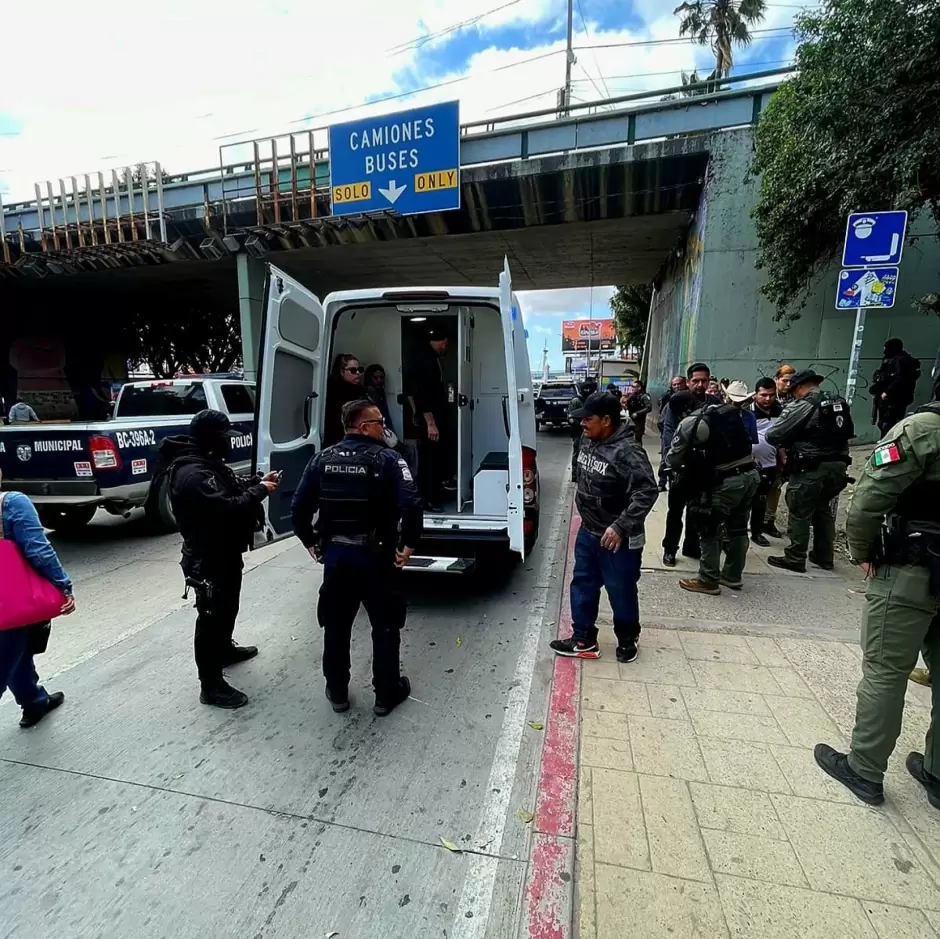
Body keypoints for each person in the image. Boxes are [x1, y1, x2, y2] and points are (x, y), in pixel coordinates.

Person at [814, 397, 940, 808]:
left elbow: (871, 496)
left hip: (914, 568)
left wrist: (862, 550)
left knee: (885, 671)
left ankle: (864, 769)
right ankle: (937, 772)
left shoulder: (923, 429)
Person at [291, 398, 423, 717]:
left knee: (336, 626)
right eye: (379, 422)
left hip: (336, 558)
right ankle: (385, 693)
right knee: (385, 625)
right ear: (364, 427)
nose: (384, 427)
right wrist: (408, 546)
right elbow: (412, 505)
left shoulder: (322, 458)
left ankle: (337, 691)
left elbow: (297, 508)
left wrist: (310, 542)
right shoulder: (389, 460)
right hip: (376, 559)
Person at [160, 409, 280, 709]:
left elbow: (230, 485)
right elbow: (228, 508)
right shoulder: (193, 474)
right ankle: (210, 685)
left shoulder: (207, 463)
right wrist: (260, 491)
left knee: (227, 608)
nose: (229, 443)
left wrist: (256, 482)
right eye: (224, 437)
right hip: (208, 558)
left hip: (224, 553)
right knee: (211, 619)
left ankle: (224, 651)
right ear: (211, 438)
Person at [550, 392, 657, 662]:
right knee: (583, 585)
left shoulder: (628, 452)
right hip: (589, 532)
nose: (582, 424)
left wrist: (620, 526)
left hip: (617, 539)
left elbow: (647, 491)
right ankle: (583, 638)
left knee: (620, 591)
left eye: (588, 419)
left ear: (607, 420)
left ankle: (627, 639)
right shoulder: (590, 439)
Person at [666, 393, 760, 595]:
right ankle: (732, 576)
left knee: (708, 526)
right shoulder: (724, 411)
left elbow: (673, 459)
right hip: (750, 475)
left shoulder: (690, 422)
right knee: (738, 527)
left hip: (725, 481)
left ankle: (708, 580)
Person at [0, 480, 74, 728]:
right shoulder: (10, 503)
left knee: (16, 650)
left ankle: (34, 701)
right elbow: (38, 550)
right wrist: (62, 585)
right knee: (8, 646)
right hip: (7, 601)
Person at [766, 370, 854, 573]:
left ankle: (795, 558)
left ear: (799, 387)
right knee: (823, 510)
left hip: (811, 468)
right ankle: (824, 556)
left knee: (800, 511)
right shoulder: (838, 402)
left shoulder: (804, 404)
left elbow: (773, 434)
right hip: (839, 467)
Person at [660, 364, 722, 566]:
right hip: (681, 466)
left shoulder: (714, 402)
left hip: (704, 467)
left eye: (704, 380)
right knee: (675, 511)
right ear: (688, 382)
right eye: (695, 380)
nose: (700, 384)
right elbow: (668, 433)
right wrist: (669, 463)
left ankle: (691, 546)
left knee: (698, 510)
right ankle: (670, 549)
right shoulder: (677, 403)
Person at [407, 328, 453, 511]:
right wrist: (431, 424)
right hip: (430, 420)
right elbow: (423, 395)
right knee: (430, 460)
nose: (446, 347)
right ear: (442, 341)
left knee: (433, 458)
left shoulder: (427, 358)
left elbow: (413, 392)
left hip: (430, 417)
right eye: (446, 344)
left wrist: (415, 413)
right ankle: (428, 499)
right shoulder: (426, 361)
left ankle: (434, 493)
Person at [749, 378, 783, 547]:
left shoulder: (780, 410)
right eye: (764, 395)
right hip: (747, 464)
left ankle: (757, 532)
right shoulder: (747, 410)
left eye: (771, 395)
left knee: (761, 500)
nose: (768, 399)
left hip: (770, 465)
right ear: (756, 394)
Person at [871, 338, 920, 438]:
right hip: (894, 397)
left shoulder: (899, 360)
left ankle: (887, 443)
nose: (884, 350)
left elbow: (899, 378)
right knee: (885, 423)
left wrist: (887, 392)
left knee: (887, 423)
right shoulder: (897, 359)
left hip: (894, 398)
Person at [324, 354, 367, 447]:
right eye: (353, 370)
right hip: (339, 440)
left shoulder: (360, 391)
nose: (358, 373)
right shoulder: (333, 392)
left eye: (360, 369)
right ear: (342, 372)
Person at [657, 376, 688, 491]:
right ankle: (662, 482)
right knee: (666, 458)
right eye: (674, 384)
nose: (677, 386)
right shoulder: (668, 398)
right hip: (669, 434)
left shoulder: (690, 398)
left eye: (679, 384)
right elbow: (662, 420)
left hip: (685, 434)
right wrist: (666, 435)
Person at [568, 379, 597, 481]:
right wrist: (579, 425)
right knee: (577, 453)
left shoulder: (592, 400)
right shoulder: (577, 400)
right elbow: (570, 417)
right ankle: (575, 475)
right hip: (578, 432)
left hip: (591, 432)